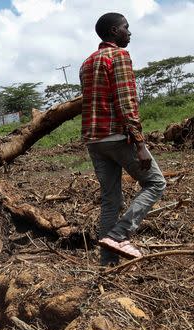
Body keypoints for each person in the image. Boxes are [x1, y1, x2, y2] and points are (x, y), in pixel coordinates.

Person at [80, 12, 166, 265]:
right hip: (118, 136)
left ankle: (107, 265)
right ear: (115, 32)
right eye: (126, 28)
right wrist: (139, 144)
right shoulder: (119, 56)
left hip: (94, 141)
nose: (130, 32)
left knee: (110, 201)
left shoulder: (86, 63)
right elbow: (126, 101)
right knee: (156, 184)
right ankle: (120, 233)